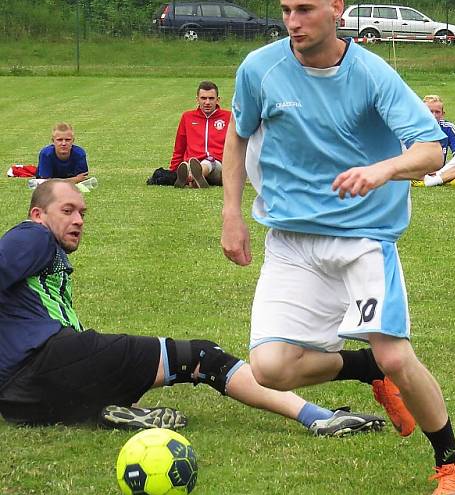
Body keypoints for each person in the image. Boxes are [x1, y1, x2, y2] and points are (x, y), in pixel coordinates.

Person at [221, 0, 455, 495]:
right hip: (290, 241)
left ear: (337, 10)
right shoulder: (259, 69)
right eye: (286, 10)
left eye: (306, 10)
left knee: (398, 356)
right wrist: (231, 213)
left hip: (362, 239)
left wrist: (381, 170)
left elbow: (432, 151)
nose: (293, 22)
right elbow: (238, 138)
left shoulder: (372, 73)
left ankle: (451, 460)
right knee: (269, 367)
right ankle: (364, 370)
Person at [0, 180, 384, 437]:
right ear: (38, 214)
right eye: (67, 211)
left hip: (23, 400)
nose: (79, 220)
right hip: (41, 363)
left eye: (83, 212)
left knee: (103, 366)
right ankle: (319, 417)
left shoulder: (41, 267)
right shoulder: (32, 236)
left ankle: (108, 409)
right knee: (201, 357)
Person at [170, 81, 231, 188]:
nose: (207, 102)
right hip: (193, 162)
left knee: (210, 161)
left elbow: (238, 145)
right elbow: (179, 147)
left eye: (211, 98)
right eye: (203, 98)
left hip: (219, 166)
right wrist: (172, 171)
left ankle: (193, 176)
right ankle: (195, 178)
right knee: (186, 165)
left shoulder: (229, 117)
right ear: (197, 99)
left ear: (218, 99)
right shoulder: (187, 117)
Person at [412, 95, 455, 187]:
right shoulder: (412, 128)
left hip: (440, 171)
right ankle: (444, 180)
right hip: (416, 170)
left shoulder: (448, 128)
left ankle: (431, 182)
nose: (434, 115)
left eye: (437, 112)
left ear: (442, 114)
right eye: (430, 111)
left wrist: (439, 173)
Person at [34, 123, 96, 192]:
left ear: (73, 140)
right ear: (53, 141)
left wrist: (56, 181)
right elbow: (47, 183)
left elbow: (82, 179)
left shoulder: (80, 154)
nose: (64, 143)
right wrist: (74, 180)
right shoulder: (46, 154)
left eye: (67, 140)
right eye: (59, 140)